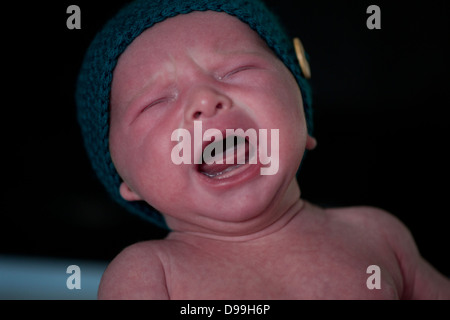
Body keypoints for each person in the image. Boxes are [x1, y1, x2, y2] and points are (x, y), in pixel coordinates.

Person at [76, 0, 450, 299]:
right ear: (127, 180)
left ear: (302, 113)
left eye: (235, 70)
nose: (205, 99)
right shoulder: (150, 274)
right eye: (156, 102)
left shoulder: (377, 234)